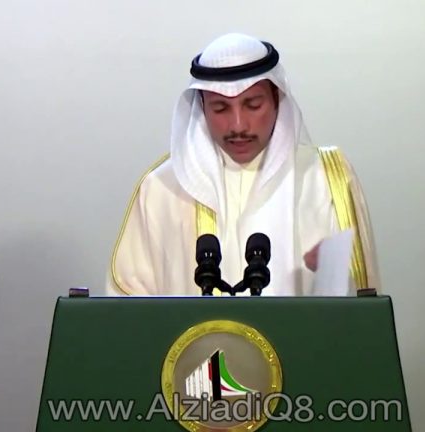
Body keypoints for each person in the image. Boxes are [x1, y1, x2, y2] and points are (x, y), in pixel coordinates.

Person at [107, 33, 379, 296]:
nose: (238, 125)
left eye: (253, 105)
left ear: (276, 99)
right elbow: (129, 305)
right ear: (202, 106)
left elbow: (361, 300)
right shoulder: (162, 188)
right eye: (221, 108)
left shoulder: (324, 178)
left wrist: (330, 275)